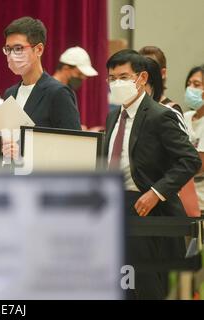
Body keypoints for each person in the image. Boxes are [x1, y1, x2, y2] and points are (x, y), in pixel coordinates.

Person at [104, 49, 201, 299]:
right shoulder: (113, 116)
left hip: (148, 209)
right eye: (112, 78)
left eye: (123, 76)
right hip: (117, 208)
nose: (117, 83)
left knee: (148, 289)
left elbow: (189, 160)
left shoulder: (161, 115)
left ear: (142, 77)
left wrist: (156, 192)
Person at [2, 16, 81, 130]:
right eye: (8, 49)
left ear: (39, 49)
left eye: (18, 48)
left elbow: (74, 141)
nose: (12, 55)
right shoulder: (9, 94)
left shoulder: (58, 93)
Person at [183, 66, 204, 210]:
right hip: (181, 192)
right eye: (189, 84)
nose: (190, 88)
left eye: (196, 85)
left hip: (201, 197)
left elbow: (199, 164)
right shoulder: (185, 117)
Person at [139, 46, 183, 114]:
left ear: (163, 73)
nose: (144, 77)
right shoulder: (133, 106)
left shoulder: (171, 109)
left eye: (150, 69)